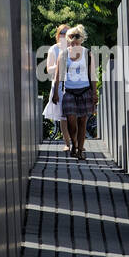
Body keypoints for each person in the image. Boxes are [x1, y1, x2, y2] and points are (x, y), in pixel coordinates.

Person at [54, 25, 97, 162]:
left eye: (77, 37)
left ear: (82, 39)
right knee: (71, 121)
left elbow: (93, 75)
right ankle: (74, 143)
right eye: (71, 37)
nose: (74, 39)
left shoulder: (87, 54)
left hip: (85, 91)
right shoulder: (63, 54)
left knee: (82, 121)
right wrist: (56, 92)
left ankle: (79, 150)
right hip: (69, 92)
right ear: (68, 39)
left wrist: (94, 93)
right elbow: (58, 76)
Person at [42, 23, 71, 151]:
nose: (65, 35)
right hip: (59, 85)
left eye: (67, 33)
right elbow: (49, 69)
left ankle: (76, 142)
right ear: (58, 35)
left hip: (75, 84)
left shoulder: (75, 48)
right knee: (63, 116)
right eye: (62, 33)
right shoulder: (53, 49)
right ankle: (67, 143)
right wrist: (61, 65)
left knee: (75, 116)